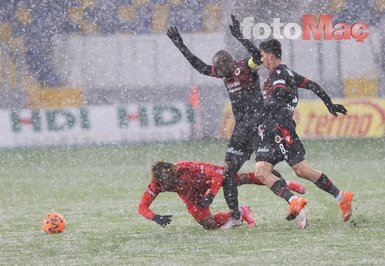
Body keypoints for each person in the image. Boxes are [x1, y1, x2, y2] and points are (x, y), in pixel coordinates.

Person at [249, 38, 353, 222]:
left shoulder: (278, 72)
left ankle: (342, 198)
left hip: (281, 128)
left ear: (271, 56)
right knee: (262, 171)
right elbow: (312, 85)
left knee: (301, 169)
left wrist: (260, 107)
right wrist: (330, 104)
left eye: (263, 55)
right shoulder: (285, 71)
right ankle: (294, 200)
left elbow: (279, 94)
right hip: (270, 130)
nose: (262, 59)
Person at [138, 161, 307, 229]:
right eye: (167, 180)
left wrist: (211, 196)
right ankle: (241, 213)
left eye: (172, 176)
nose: (170, 181)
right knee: (208, 225)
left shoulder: (187, 168)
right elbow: (142, 206)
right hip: (189, 193)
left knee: (238, 179)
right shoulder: (157, 184)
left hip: (207, 178)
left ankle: (287, 185)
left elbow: (216, 176)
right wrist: (155, 217)